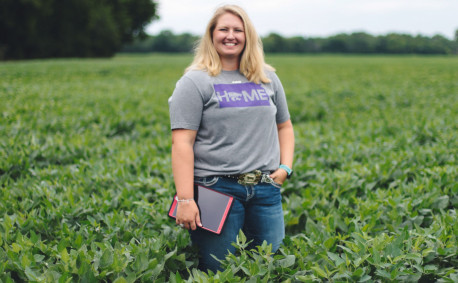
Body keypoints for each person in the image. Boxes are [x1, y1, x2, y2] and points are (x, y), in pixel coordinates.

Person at [168, 4, 294, 273]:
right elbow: (181, 144)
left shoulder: (267, 78)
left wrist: (285, 167)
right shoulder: (195, 82)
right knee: (218, 271)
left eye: (238, 30)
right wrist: (185, 200)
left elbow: (284, 125)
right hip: (216, 189)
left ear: (248, 36)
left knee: (269, 269)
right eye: (223, 29)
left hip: (265, 188)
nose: (230, 35)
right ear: (211, 35)